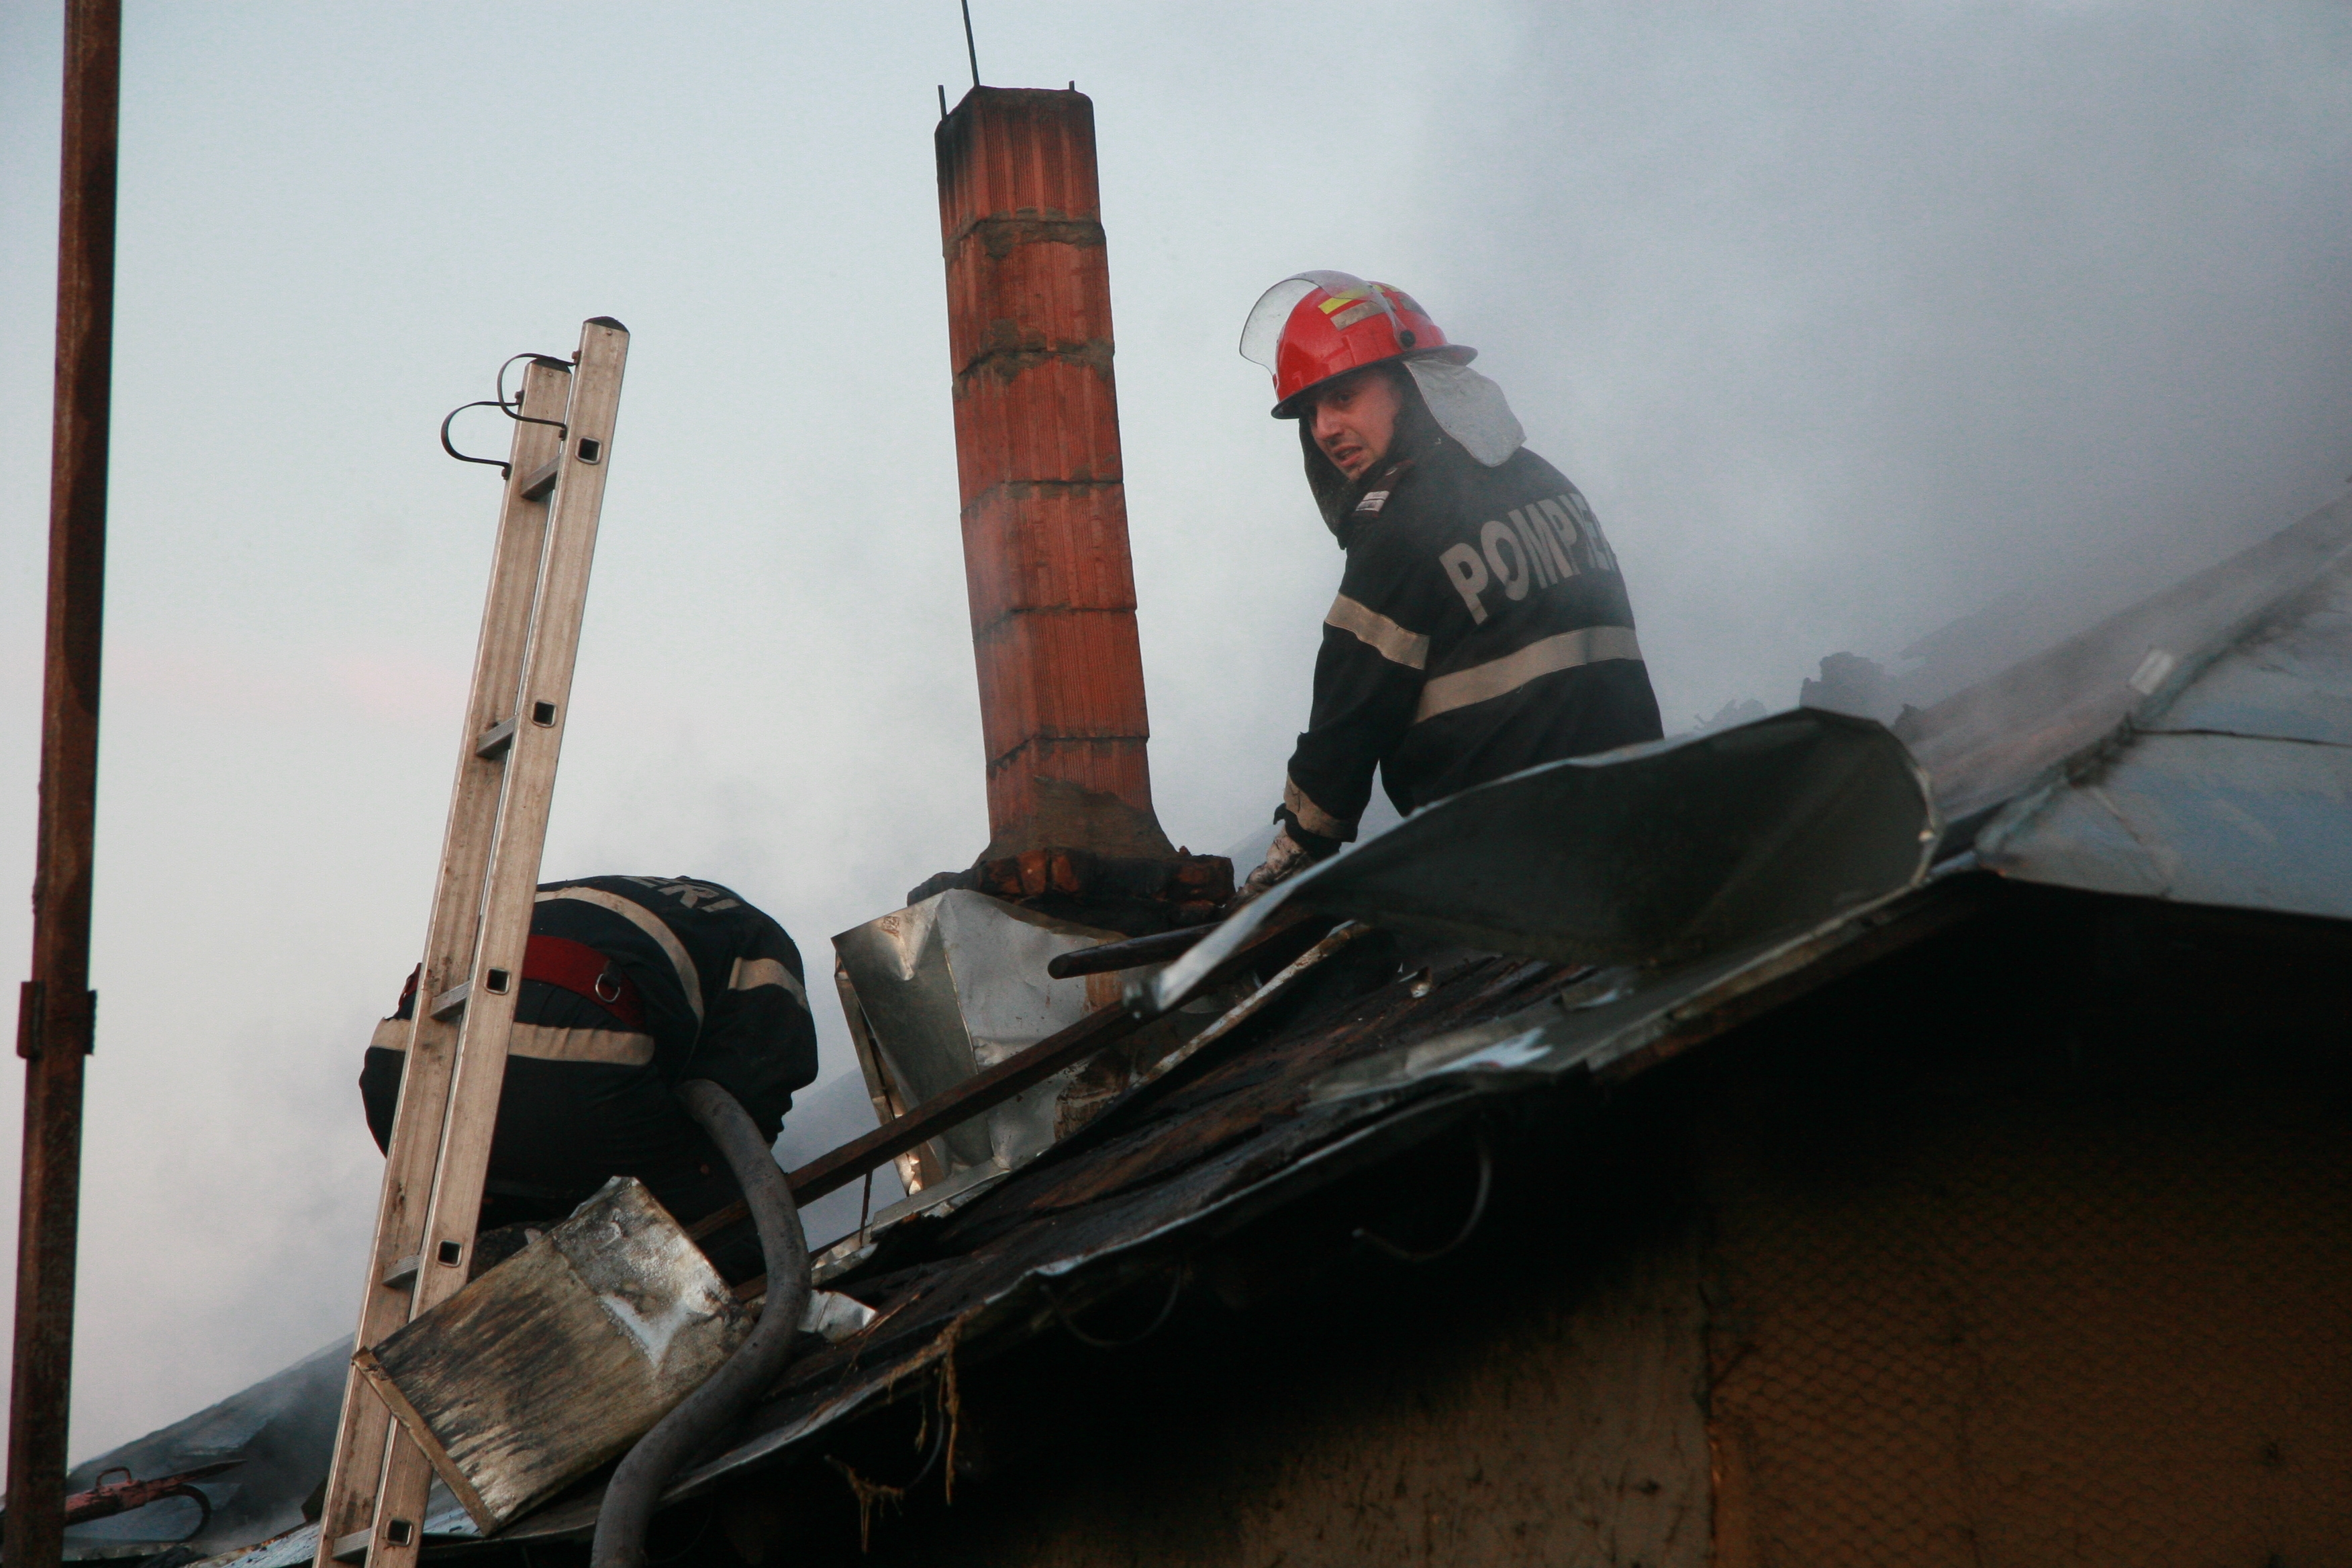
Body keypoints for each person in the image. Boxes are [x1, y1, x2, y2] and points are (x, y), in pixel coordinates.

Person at [1234, 273, 1665, 898]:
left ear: (1412, 386)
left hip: (1509, 865)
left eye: (1344, 397)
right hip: (1641, 829)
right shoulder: (1548, 483)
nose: (1324, 428)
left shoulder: (1403, 525)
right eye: (1310, 413)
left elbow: (1348, 717)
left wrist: (1291, 855)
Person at [360, 874, 818, 1275]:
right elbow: (748, 1102)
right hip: (574, 1056)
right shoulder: (758, 939)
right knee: (732, 1228)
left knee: (507, 1215)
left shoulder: (590, 899)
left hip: (400, 1075)